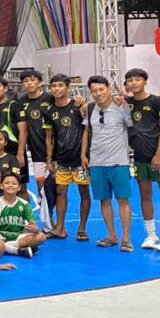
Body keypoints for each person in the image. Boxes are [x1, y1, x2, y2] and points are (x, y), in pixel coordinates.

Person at [124, 68, 160, 252]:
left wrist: (159, 153)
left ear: (145, 81)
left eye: (137, 79)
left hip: (159, 156)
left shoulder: (156, 101)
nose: (134, 83)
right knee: (145, 195)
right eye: (130, 80)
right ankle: (151, 235)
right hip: (140, 157)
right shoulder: (127, 103)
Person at [81, 75, 134, 252]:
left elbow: (134, 126)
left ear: (109, 89)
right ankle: (112, 235)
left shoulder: (121, 107)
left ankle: (126, 239)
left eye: (101, 89)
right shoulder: (89, 109)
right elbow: (86, 132)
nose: (98, 93)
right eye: (94, 91)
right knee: (104, 200)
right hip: (97, 162)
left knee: (122, 200)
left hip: (119, 162)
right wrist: (84, 154)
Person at [46, 74, 92, 241]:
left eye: (60, 85)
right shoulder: (50, 111)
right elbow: (49, 137)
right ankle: (59, 228)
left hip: (80, 160)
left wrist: (84, 155)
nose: (57, 89)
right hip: (62, 160)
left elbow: (88, 129)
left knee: (84, 192)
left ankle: (82, 228)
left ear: (68, 88)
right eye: (54, 86)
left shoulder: (79, 106)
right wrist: (49, 158)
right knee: (60, 192)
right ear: (50, 88)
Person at [19, 69, 56, 222]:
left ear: (40, 82)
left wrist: (80, 99)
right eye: (26, 81)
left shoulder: (51, 98)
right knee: (43, 189)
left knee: (58, 189)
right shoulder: (20, 102)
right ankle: (48, 221)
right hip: (37, 151)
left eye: (32, 80)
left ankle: (57, 222)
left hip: (57, 150)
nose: (29, 83)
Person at [0, 173, 47, 258]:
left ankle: (4, 247)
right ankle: (15, 250)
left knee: (42, 236)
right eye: (7, 183)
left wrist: (35, 229)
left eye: (14, 183)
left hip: (19, 236)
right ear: (1, 186)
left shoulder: (24, 204)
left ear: (19, 187)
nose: (10, 185)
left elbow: (33, 226)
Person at [0, 77, 27, 188]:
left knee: (20, 187)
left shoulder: (15, 105)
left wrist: (20, 154)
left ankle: (24, 206)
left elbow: (23, 131)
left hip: (14, 152)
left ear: (5, 88)